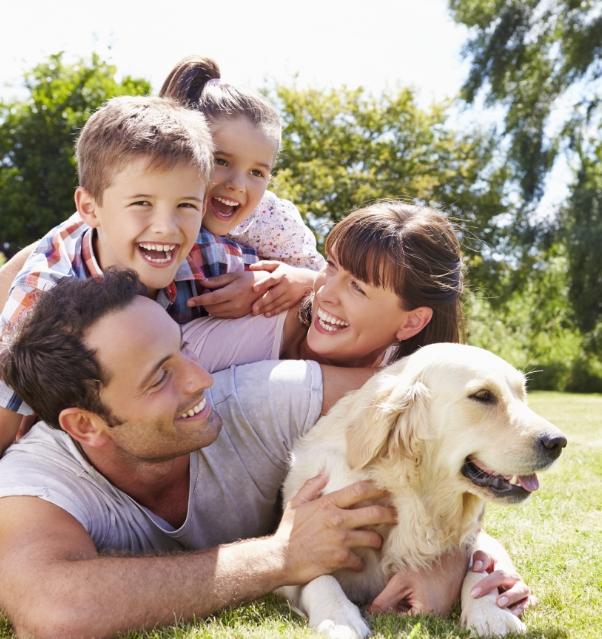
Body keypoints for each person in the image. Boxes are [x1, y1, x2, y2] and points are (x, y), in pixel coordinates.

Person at [0, 270, 394, 638]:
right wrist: (279, 556)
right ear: (85, 425)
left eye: (183, 349)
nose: (201, 379)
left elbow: (427, 404)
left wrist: (447, 565)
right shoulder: (37, 479)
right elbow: (52, 609)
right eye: (160, 378)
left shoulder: (259, 399)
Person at [0, 95, 214, 453]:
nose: (166, 226)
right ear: (89, 208)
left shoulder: (208, 253)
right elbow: (5, 418)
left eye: (186, 205)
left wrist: (296, 283)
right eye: (142, 203)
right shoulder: (42, 298)